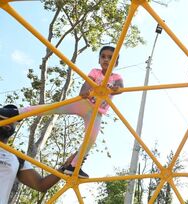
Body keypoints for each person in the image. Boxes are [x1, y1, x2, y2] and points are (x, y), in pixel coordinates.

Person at [0, 46, 124, 178]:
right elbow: (86, 85)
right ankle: (16, 113)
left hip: (96, 113)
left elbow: (121, 87)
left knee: (91, 139)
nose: (106, 59)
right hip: (83, 104)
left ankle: (74, 166)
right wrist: (84, 92)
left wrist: (117, 88)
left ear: (116, 62)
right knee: (51, 107)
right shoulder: (95, 72)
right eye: (103, 56)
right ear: (99, 60)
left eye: (110, 58)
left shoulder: (116, 77)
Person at [0, 111, 75, 204]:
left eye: (13, 121)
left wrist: (65, 167)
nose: (9, 122)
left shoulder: (17, 158)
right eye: (3, 118)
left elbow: (41, 185)